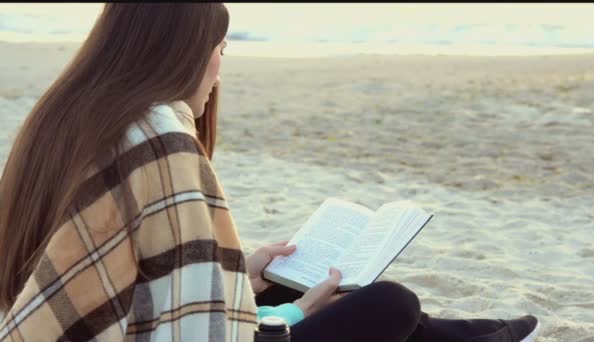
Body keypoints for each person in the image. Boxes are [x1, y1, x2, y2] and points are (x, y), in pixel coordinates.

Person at [0, 3, 541, 341]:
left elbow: (134, 278)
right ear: (182, 53)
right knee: (389, 302)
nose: (219, 68)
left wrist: (239, 273)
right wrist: (300, 314)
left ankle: (463, 336)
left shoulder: (62, 120)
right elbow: (198, 335)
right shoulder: (159, 133)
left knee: (281, 294)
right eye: (221, 48)